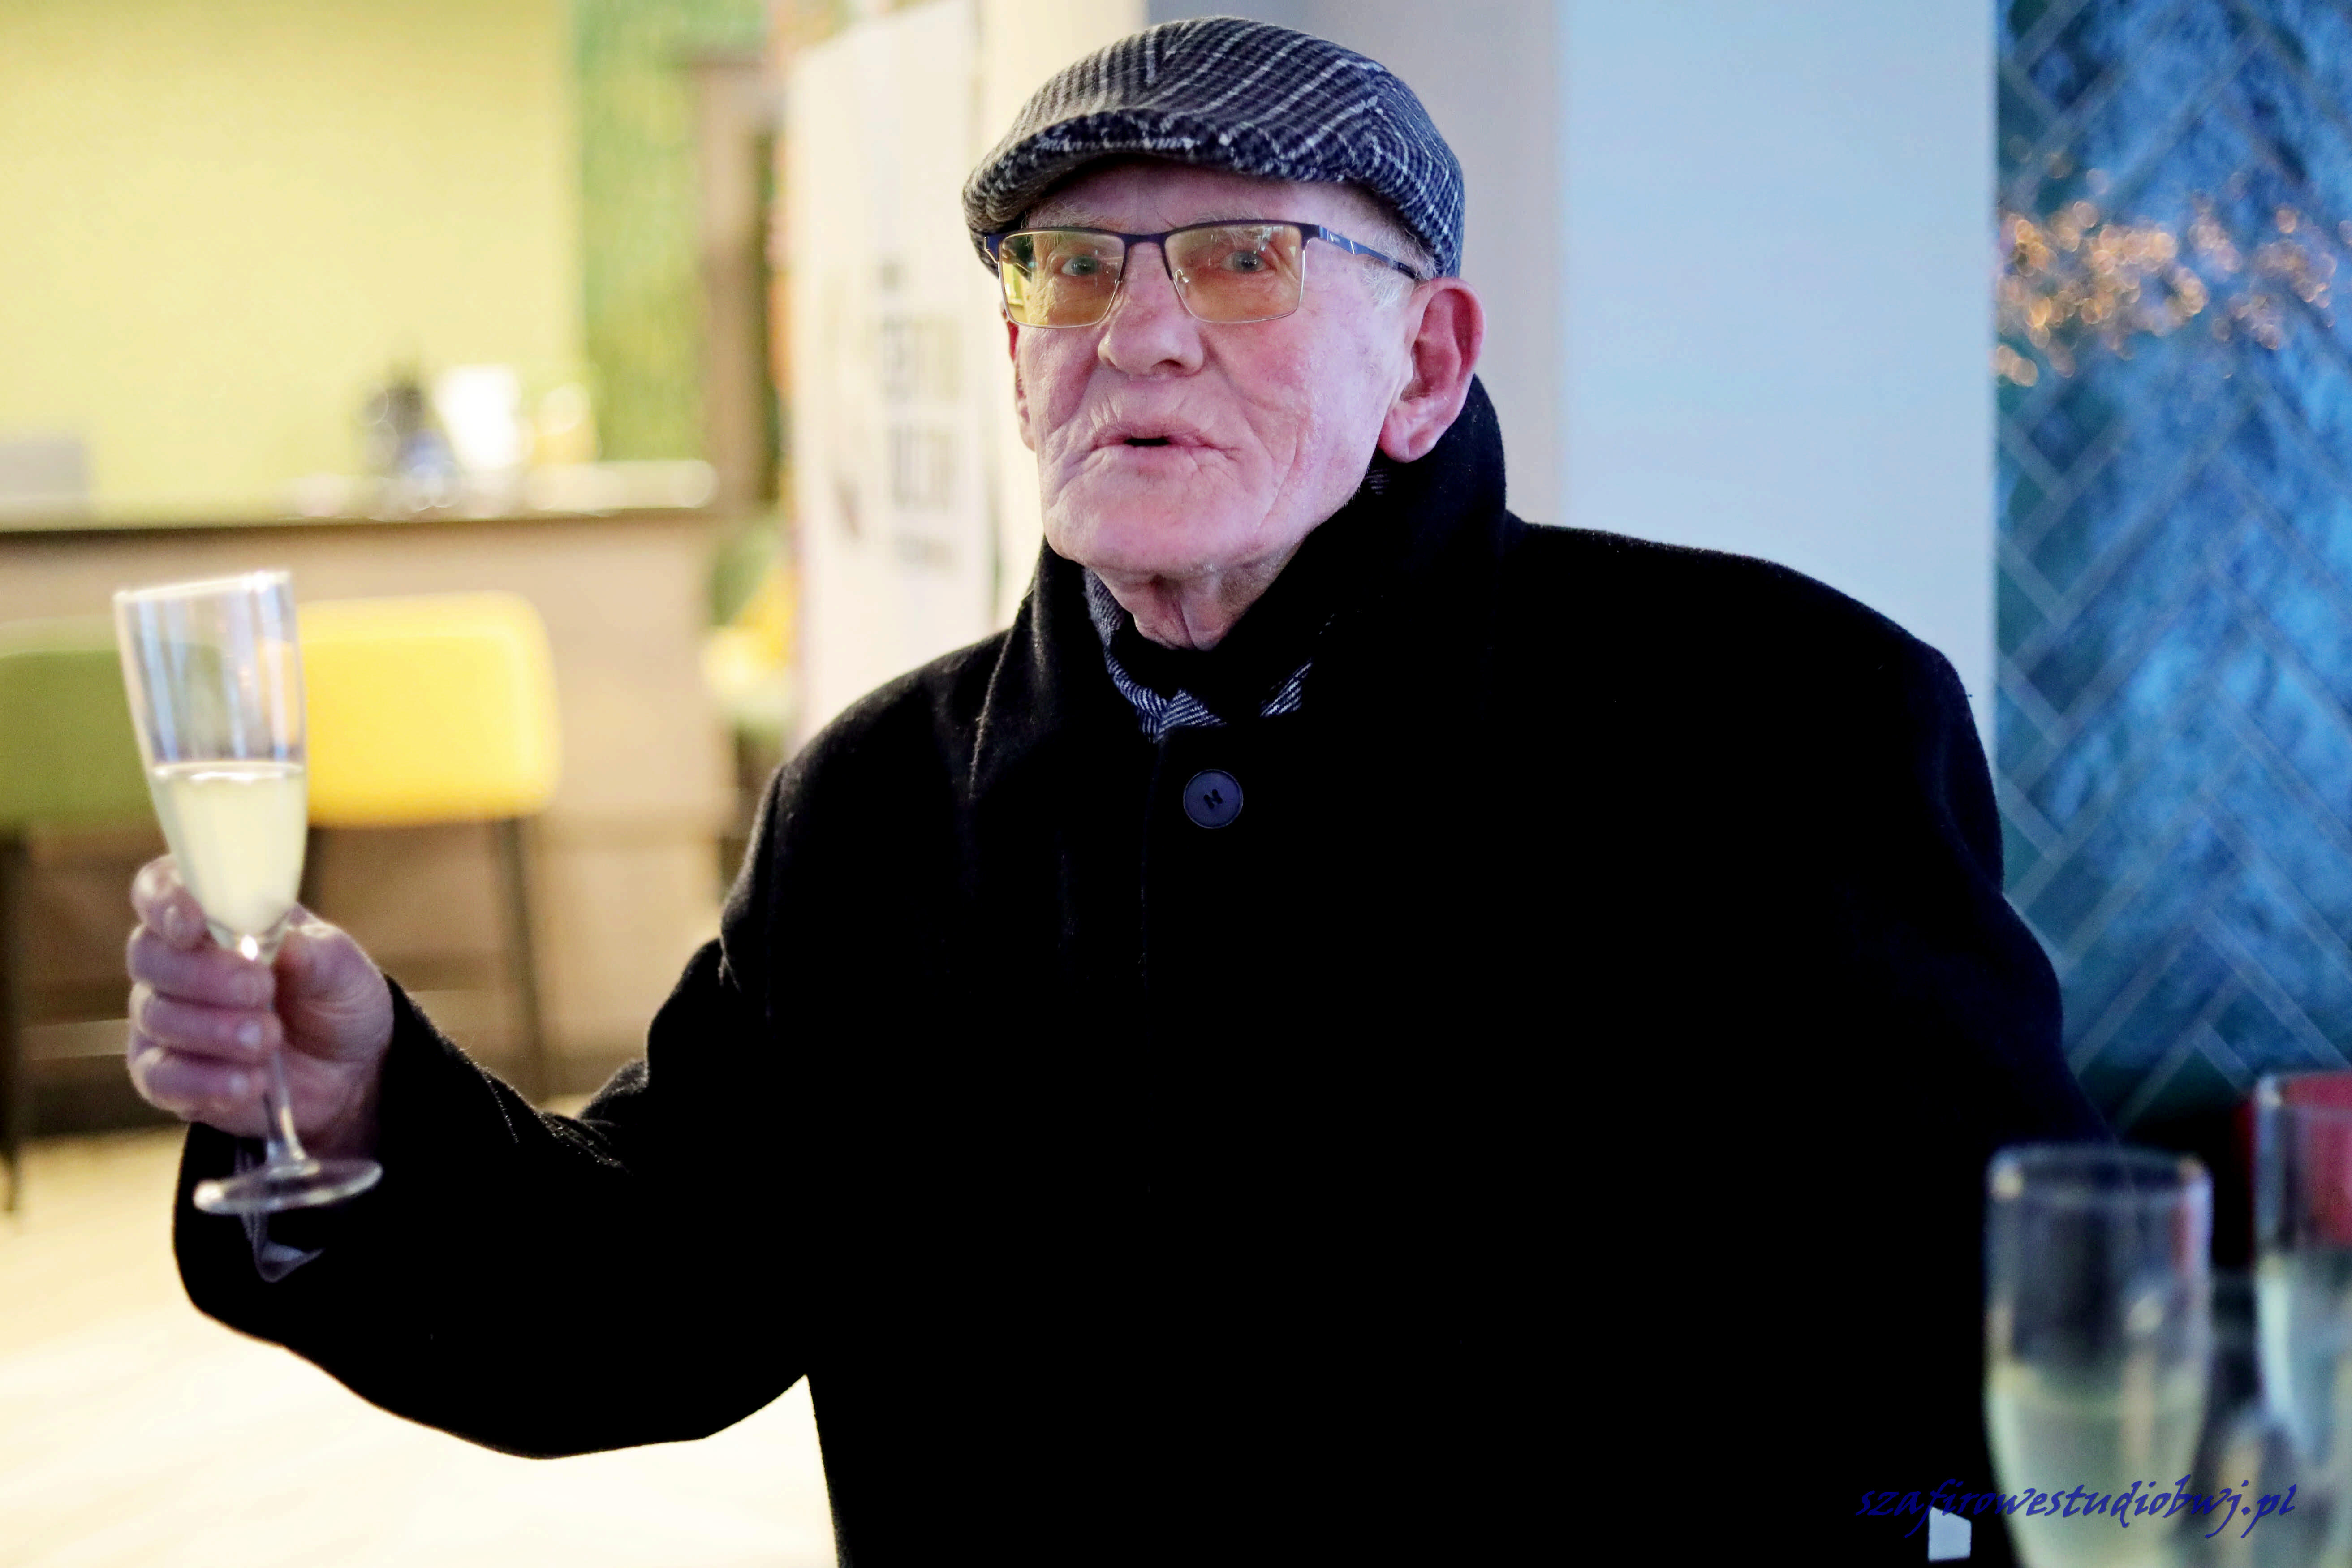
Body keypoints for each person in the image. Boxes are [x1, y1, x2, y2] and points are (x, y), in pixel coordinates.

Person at [124, 17, 2101, 1564]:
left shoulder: (1774, 718)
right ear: (1016, 361)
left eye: (1242, 260)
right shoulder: (878, 804)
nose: (1135, 328)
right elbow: (648, 1295)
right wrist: (360, 1107)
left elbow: (2008, 1362)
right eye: (1069, 270)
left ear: (1425, 361)